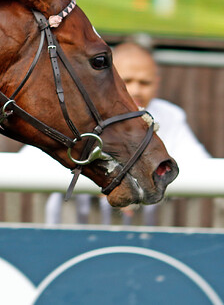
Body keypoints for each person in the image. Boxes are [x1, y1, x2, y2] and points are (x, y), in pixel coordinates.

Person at [36, 40, 211, 225]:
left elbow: (202, 171)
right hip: (71, 235)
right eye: (127, 81)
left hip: (144, 240)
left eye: (144, 82)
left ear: (157, 83)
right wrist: (105, 182)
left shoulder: (170, 117)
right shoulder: (73, 112)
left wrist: (135, 189)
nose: (136, 90)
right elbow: (30, 166)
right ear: (108, 78)